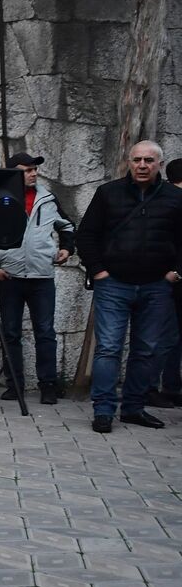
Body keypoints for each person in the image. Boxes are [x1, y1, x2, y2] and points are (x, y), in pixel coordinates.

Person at [76, 140, 182, 433]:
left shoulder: (175, 198)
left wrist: (176, 273)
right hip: (114, 285)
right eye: (137, 160)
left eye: (149, 160)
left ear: (159, 164)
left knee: (146, 350)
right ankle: (103, 411)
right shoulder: (108, 193)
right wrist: (98, 272)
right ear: (129, 162)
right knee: (108, 349)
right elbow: (86, 235)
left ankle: (133, 408)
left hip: (157, 286)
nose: (142, 165)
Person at [0, 151, 75, 405]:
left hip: (42, 276)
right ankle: (14, 385)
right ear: (13, 174)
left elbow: (66, 225)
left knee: (45, 332)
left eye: (34, 169)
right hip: (10, 276)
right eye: (27, 170)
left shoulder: (47, 198)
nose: (33, 173)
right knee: (10, 332)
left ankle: (48, 386)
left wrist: (67, 247)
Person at [151, 158, 182, 405]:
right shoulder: (169, 202)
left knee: (172, 337)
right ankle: (149, 388)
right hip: (166, 279)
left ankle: (171, 387)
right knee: (164, 336)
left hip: (172, 277)